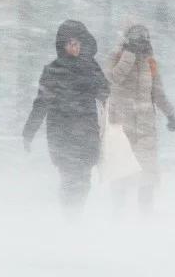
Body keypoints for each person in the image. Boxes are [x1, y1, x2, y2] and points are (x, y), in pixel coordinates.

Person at [23, 20, 110, 210]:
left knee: (84, 181)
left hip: (86, 134)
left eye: (78, 43)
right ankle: (70, 218)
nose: (75, 47)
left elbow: (104, 92)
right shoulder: (53, 71)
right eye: (71, 43)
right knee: (69, 179)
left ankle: (74, 216)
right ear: (63, 45)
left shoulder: (90, 67)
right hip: (62, 135)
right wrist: (29, 131)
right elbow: (41, 103)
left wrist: (91, 72)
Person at [106, 24, 175, 212]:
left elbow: (158, 92)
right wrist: (129, 54)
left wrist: (170, 113)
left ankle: (145, 220)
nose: (142, 43)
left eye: (144, 39)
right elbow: (114, 78)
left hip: (146, 130)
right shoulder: (116, 56)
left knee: (147, 177)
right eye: (137, 38)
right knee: (121, 176)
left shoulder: (150, 62)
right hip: (122, 128)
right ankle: (117, 219)